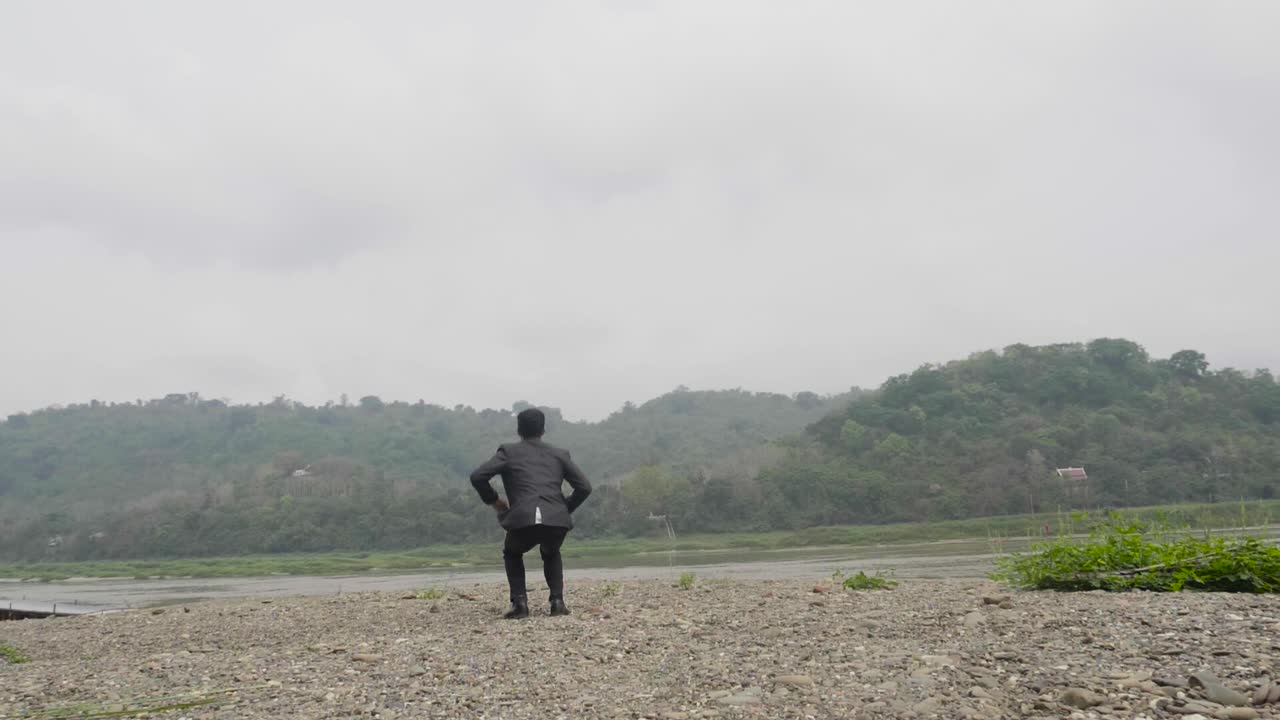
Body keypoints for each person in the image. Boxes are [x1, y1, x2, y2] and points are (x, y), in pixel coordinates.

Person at [470, 408, 592, 619]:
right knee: (551, 553)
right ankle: (557, 602)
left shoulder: (508, 452)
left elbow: (478, 476)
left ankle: (520, 603)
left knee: (512, 553)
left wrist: (495, 501)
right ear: (543, 429)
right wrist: (564, 509)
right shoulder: (559, 454)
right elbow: (585, 487)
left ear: (519, 429)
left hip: (522, 519)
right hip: (556, 520)